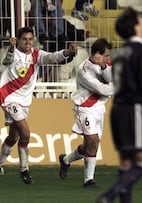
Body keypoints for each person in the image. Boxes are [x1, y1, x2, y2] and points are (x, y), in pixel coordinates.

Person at [0, 27, 76, 184]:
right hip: (9, 97)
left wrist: (67, 52)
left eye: (30, 39)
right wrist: (11, 48)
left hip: (25, 100)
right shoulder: (13, 52)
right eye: (24, 39)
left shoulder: (37, 55)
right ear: (18, 40)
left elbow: (53, 58)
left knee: (14, 136)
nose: (28, 42)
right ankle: (24, 170)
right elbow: (6, 61)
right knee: (26, 134)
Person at [96, 7, 142, 203]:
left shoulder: (119, 53)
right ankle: (108, 196)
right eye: (141, 19)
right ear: (136, 26)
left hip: (116, 110)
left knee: (126, 164)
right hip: (133, 109)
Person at [58, 38, 113, 187]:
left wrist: (104, 67)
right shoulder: (84, 70)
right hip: (84, 108)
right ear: (96, 54)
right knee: (93, 140)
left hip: (99, 108)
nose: (109, 59)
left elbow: (112, 79)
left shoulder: (105, 65)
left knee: (90, 145)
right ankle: (88, 180)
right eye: (106, 56)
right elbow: (103, 89)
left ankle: (66, 160)